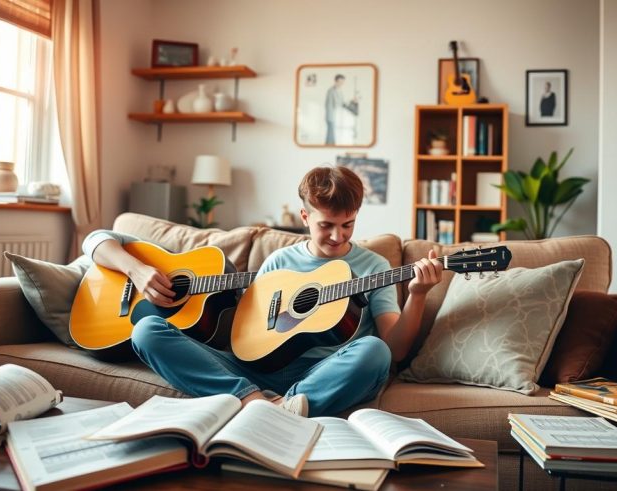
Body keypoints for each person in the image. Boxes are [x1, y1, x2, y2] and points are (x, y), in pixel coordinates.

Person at [82, 166, 444, 418]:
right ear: (304, 217)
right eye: (326, 225)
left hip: (326, 374)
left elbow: (395, 350)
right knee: (146, 331)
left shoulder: (375, 268)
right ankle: (254, 402)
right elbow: (248, 338)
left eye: (348, 225)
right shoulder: (277, 261)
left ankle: (276, 409)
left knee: (374, 352)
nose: (338, 236)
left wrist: (418, 294)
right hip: (255, 373)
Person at [325, 74, 358, 144]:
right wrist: (351, 101)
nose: (341, 84)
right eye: (340, 82)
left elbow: (342, 103)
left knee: (333, 137)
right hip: (332, 116)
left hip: (336, 116)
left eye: (342, 82)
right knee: (331, 138)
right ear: (336, 81)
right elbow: (338, 103)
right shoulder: (332, 91)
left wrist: (351, 101)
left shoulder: (339, 90)